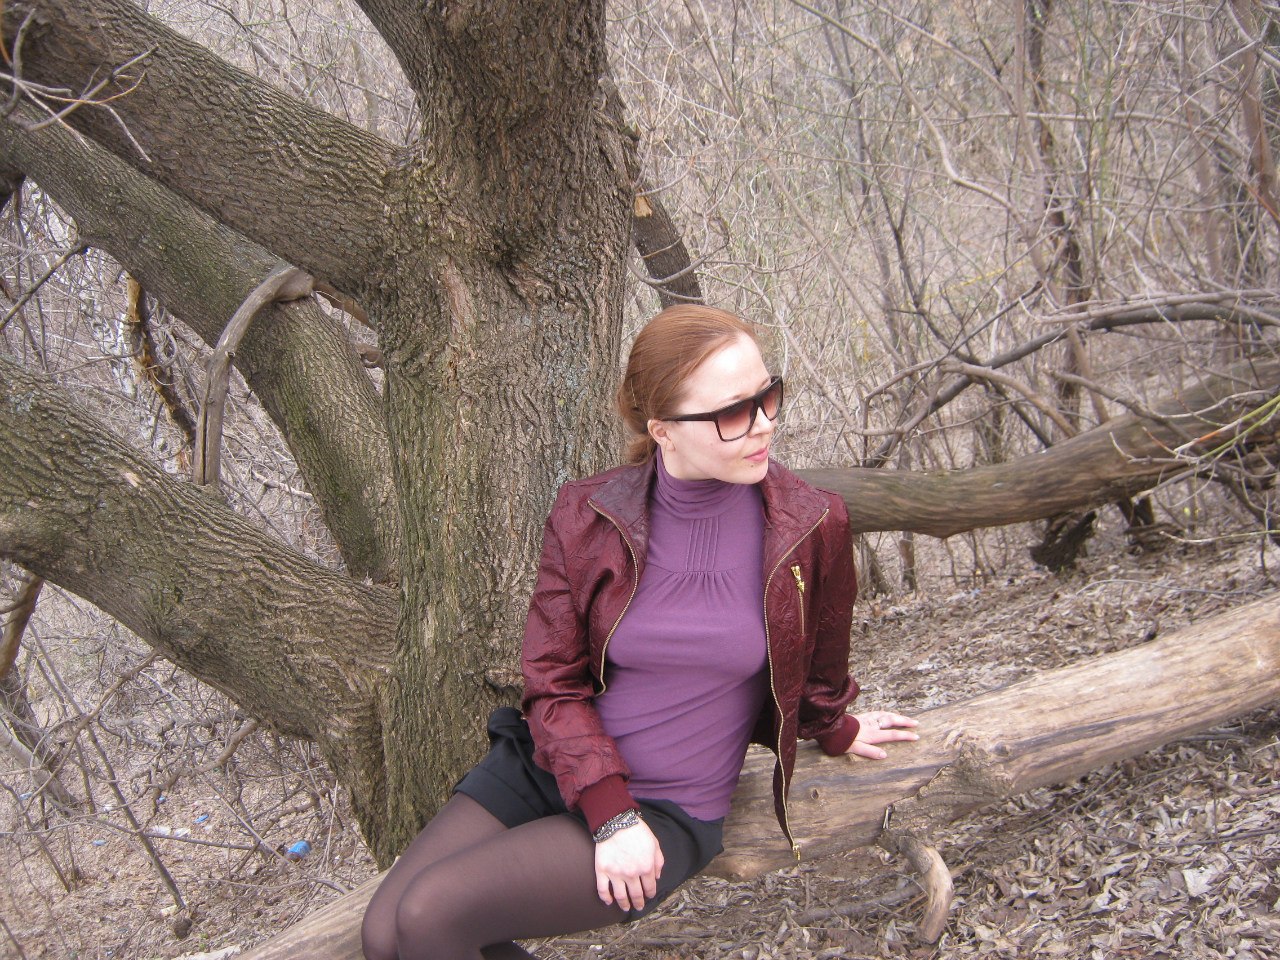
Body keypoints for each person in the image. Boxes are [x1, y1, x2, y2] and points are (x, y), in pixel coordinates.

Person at [361, 305, 918, 960]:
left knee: (430, 915)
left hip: (664, 803)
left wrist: (834, 726)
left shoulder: (811, 523)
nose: (764, 423)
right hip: (554, 766)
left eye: (768, 396)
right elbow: (552, 680)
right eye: (734, 412)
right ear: (663, 431)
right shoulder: (589, 513)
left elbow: (820, 661)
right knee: (384, 933)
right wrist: (608, 810)